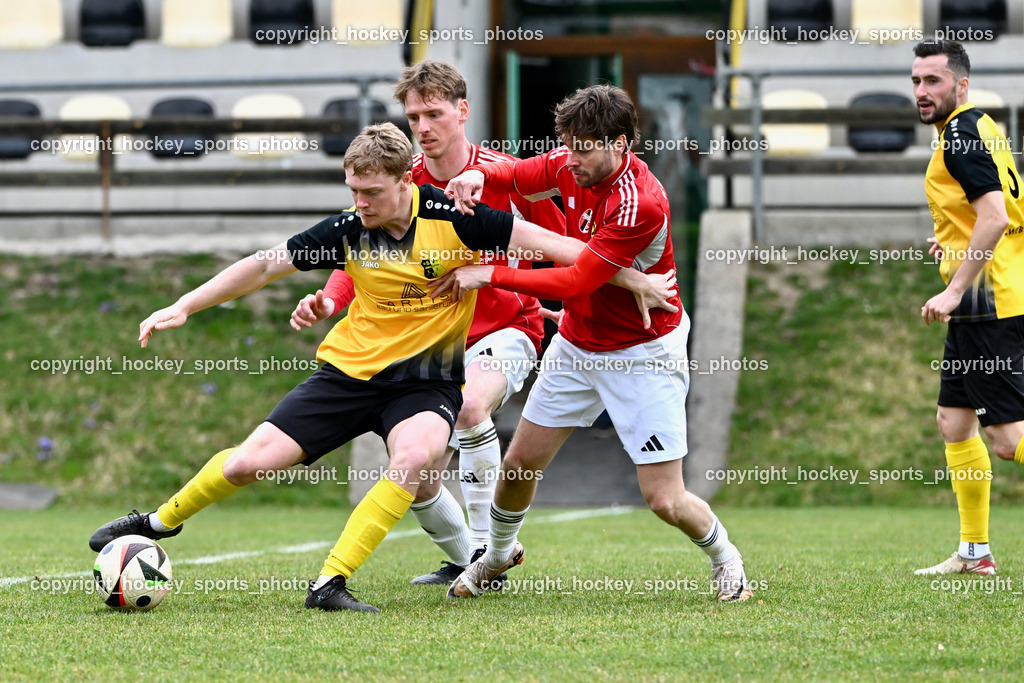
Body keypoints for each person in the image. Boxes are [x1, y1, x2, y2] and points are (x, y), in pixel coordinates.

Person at [88, 122, 677, 613]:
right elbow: (265, 265)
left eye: (370, 192)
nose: (358, 202)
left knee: (416, 458)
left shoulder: (459, 217)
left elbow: (567, 251)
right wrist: (184, 305)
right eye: (352, 190)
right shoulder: (350, 228)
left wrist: (637, 280)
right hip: (346, 376)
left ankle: (330, 583)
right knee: (247, 465)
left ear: (404, 183)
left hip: (425, 384)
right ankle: (158, 522)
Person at [437, 84, 754, 602]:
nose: (572, 158)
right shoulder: (571, 162)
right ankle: (495, 555)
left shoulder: (639, 203)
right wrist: (477, 173)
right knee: (519, 465)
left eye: (584, 147)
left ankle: (726, 557)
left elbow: (575, 281)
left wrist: (489, 274)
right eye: (567, 144)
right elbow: (516, 174)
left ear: (621, 144)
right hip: (579, 346)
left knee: (664, 499)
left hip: (642, 353)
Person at [289, 60, 571, 586]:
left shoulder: (505, 175)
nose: (422, 126)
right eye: (413, 115)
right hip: (431, 348)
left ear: (463, 111)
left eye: (433, 113)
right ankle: (472, 562)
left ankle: (491, 546)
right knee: (415, 474)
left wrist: (499, 276)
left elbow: (560, 248)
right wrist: (329, 300)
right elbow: (357, 258)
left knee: (469, 407)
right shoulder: (397, 180)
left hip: (507, 330)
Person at [911, 40, 1024, 576]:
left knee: (1008, 440)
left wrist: (956, 288)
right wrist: (955, 244)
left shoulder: (957, 137)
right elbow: (1002, 210)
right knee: (954, 422)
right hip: (988, 293)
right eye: (916, 81)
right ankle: (975, 555)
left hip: (987, 301)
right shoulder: (983, 126)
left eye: (933, 81)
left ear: (961, 85)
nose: (921, 91)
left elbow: (996, 217)